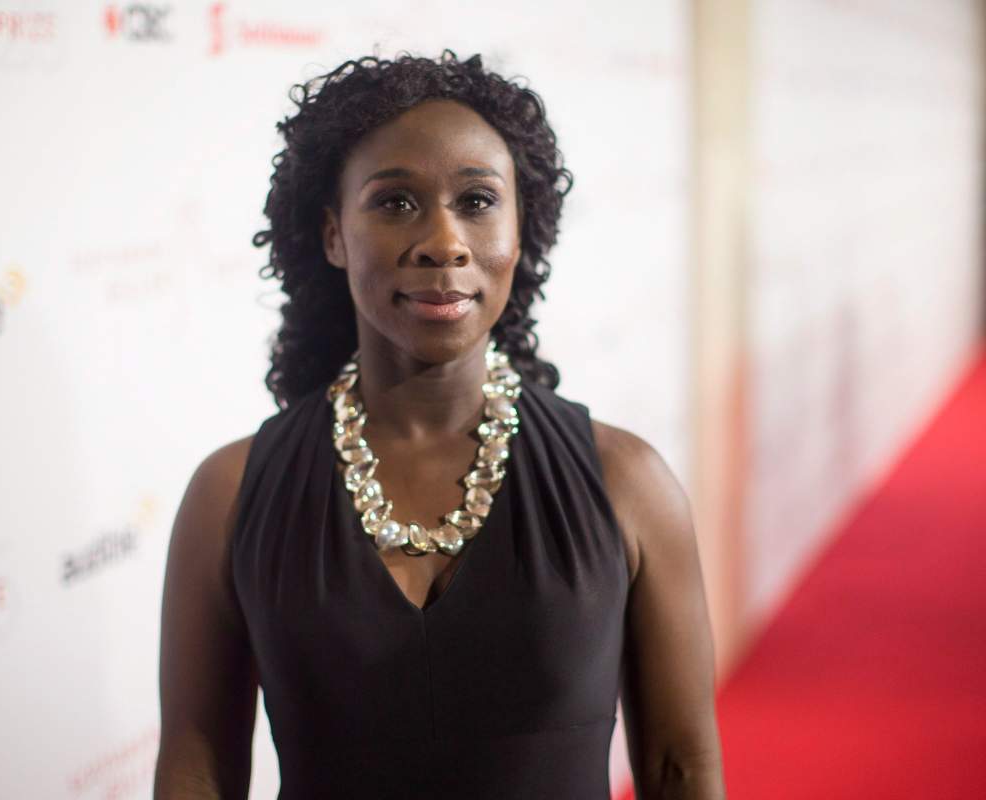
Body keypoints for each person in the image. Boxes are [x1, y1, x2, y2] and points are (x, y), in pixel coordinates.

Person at [154, 51, 726, 800]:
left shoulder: (627, 482)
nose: (444, 241)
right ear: (332, 235)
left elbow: (678, 766)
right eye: (395, 203)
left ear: (522, 232)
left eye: (478, 200)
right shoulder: (231, 493)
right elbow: (197, 769)